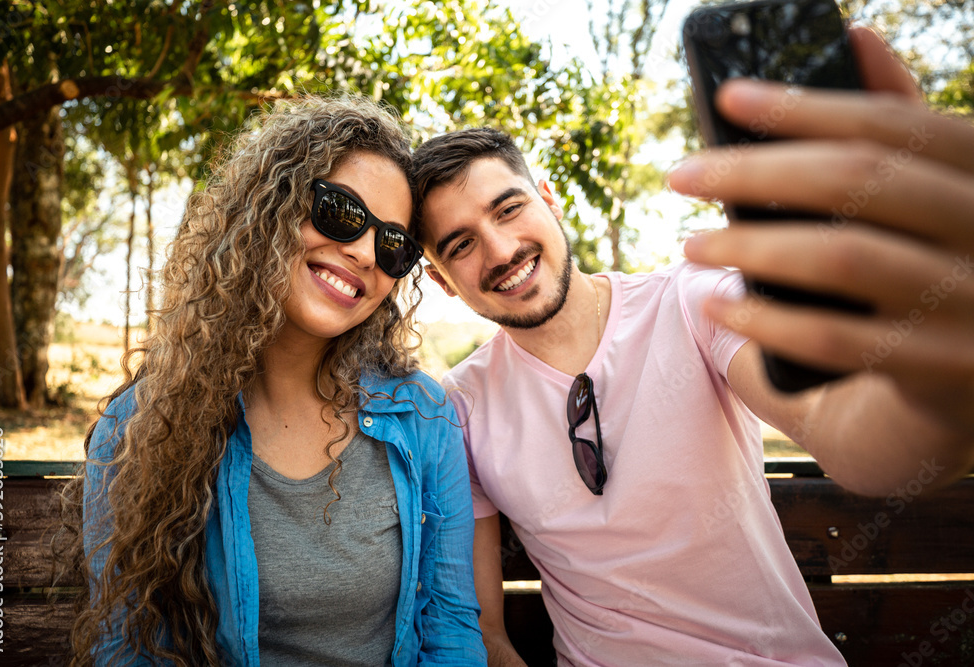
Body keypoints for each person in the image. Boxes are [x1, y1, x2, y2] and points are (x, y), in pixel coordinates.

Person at [407, 26, 974, 667]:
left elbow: (844, 431)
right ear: (442, 283)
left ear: (550, 200)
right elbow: (487, 634)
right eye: (460, 244)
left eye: (508, 209)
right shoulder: (461, 404)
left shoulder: (696, 300)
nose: (502, 250)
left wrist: (941, 394)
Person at [63, 96, 487, 666]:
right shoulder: (143, 426)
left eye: (393, 246)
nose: (364, 252)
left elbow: (452, 624)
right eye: (341, 212)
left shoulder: (423, 416)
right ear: (269, 209)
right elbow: (126, 647)